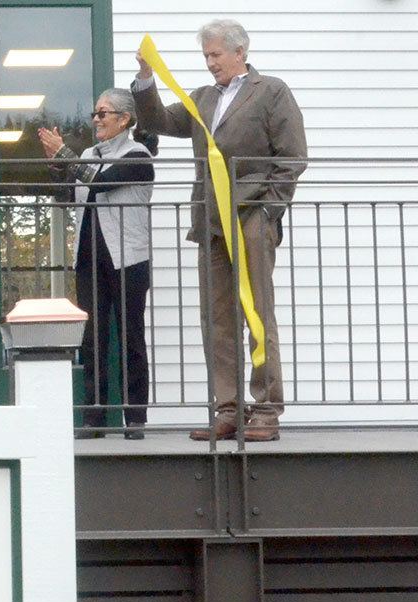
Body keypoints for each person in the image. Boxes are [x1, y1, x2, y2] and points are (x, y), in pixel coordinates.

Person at [133, 19, 307, 441]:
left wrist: (269, 210)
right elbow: (156, 120)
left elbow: (293, 157)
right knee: (217, 320)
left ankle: (266, 410)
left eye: (216, 55)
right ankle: (228, 408)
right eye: (206, 56)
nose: (210, 63)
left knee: (257, 313)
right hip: (210, 221)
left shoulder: (271, 92)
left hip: (250, 215)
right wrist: (144, 79)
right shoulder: (203, 99)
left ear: (239, 52)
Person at [40, 89, 156, 440]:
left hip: (127, 259)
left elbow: (102, 183)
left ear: (124, 119)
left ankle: (135, 418)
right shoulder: (89, 155)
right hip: (89, 257)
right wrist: (59, 165)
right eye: (95, 113)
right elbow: (65, 193)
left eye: (103, 113)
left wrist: (65, 155)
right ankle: (95, 416)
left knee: (129, 336)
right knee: (92, 339)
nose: (96, 119)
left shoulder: (138, 155)